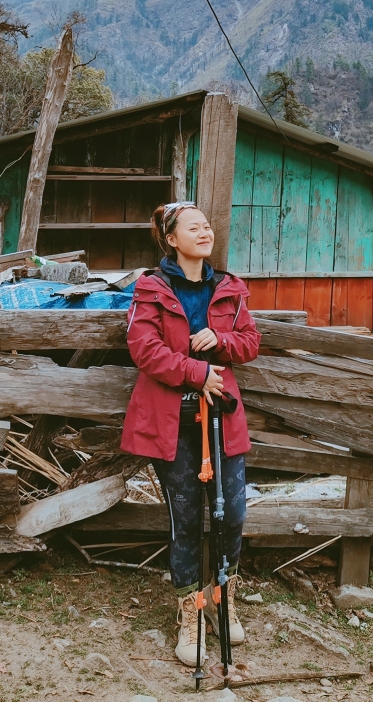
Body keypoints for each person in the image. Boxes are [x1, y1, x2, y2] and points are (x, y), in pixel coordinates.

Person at [121, 201, 261, 667]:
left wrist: (220, 342)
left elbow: (250, 343)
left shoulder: (229, 288)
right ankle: (189, 613)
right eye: (193, 227)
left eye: (207, 226)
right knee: (185, 519)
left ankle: (224, 599)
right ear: (171, 239)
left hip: (222, 417)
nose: (204, 233)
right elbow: (144, 349)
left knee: (233, 513)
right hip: (171, 421)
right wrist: (196, 372)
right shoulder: (150, 288)